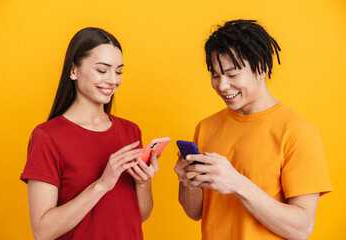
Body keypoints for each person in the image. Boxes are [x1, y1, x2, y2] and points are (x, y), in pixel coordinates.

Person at [174, 19, 332, 240]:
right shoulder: (205, 127)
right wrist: (187, 183)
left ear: (262, 68)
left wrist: (238, 183)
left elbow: (301, 229)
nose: (222, 86)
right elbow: (195, 213)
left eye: (232, 75)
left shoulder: (298, 133)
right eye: (215, 75)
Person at [20, 27, 160, 240]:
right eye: (102, 70)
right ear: (73, 70)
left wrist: (143, 182)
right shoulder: (47, 137)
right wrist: (102, 184)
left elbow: (139, 215)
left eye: (119, 71)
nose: (113, 80)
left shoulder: (131, 131)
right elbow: (42, 231)